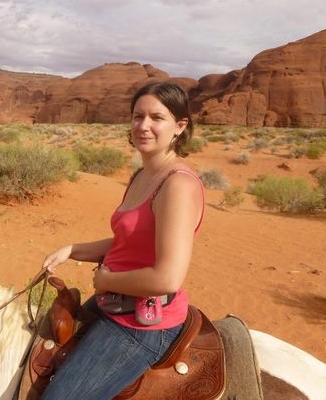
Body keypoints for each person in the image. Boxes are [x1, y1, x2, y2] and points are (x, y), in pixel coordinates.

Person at [40, 81, 205, 400]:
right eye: (137, 116)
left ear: (179, 126)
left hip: (142, 325)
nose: (144, 126)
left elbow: (167, 278)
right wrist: (73, 250)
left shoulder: (177, 186)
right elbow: (127, 241)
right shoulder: (142, 176)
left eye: (156, 118)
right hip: (112, 304)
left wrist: (106, 279)